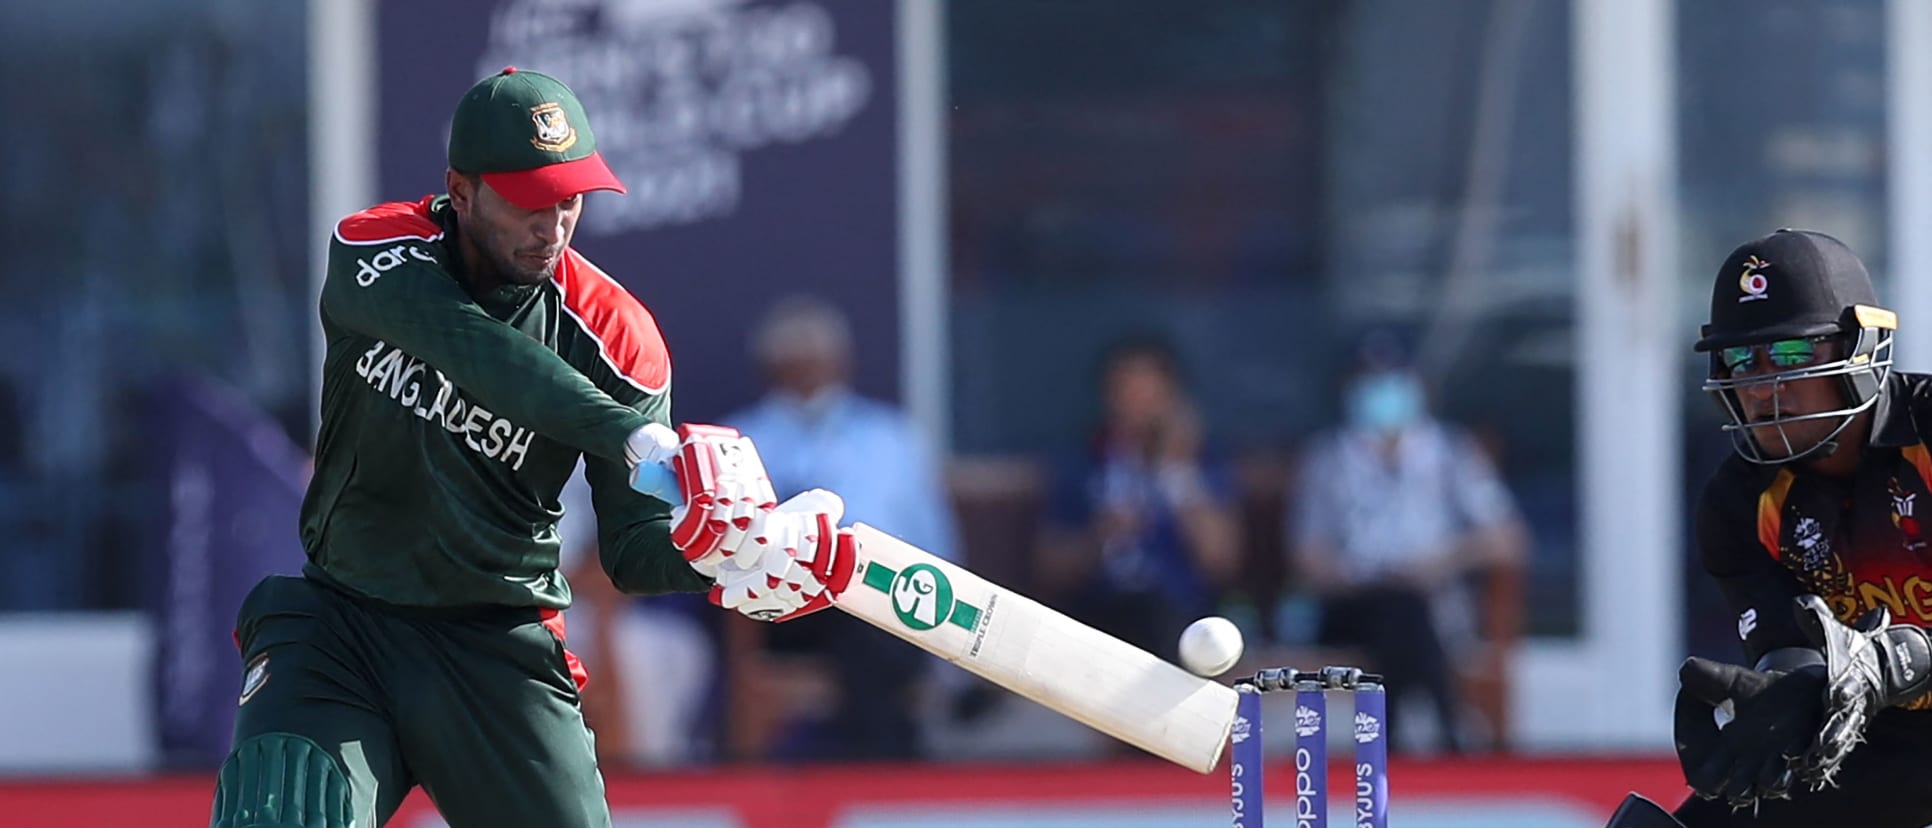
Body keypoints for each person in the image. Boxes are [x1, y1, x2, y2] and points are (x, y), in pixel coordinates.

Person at [209, 67, 855, 828]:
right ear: (462, 189)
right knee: (281, 807)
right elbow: (480, 353)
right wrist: (638, 435)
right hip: (342, 624)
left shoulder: (618, 338)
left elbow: (631, 547)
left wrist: (722, 554)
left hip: (499, 646)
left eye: (570, 201)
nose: (552, 225)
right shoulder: (377, 250)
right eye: (528, 202)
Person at [1608, 229, 1932, 827]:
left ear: (1860, 350)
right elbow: (1796, 659)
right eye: (1740, 360)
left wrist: (1895, 659)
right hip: (1880, 744)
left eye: (1788, 356)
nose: (1760, 386)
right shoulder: (1736, 506)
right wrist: (1773, 711)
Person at [718, 295, 961, 761]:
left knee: (875, 625)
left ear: (840, 361)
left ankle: (879, 779)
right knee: (865, 634)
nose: (808, 371)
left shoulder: (892, 436)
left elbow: (933, 538)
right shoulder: (738, 439)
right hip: (779, 602)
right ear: (773, 367)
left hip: (880, 592)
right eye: (795, 360)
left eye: (818, 359)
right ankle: (878, 772)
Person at [1289, 332, 1526, 754]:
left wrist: (1440, 562)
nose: (1381, 391)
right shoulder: (1327, 458)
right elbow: (1307, 556)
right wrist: (1358, 575)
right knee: (1399, 606)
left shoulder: (1451, 452)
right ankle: (1447, 733)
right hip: (1354, 603)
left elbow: (1507, 537)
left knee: (1408, 608)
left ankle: (1391, 739)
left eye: (1391, 378)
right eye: (1369, 380)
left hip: (1436, 604)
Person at [1039, 335, 1241, 665]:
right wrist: (1100, 534)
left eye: (1148, 393)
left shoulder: (1201, 463)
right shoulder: (1084, 463)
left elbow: (1221, 560)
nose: (1136, 405)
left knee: (1161, 622)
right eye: (1125, 392)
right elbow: (1050, 567)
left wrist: (1177, 470)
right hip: (1101, 611)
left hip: (1181, 615)